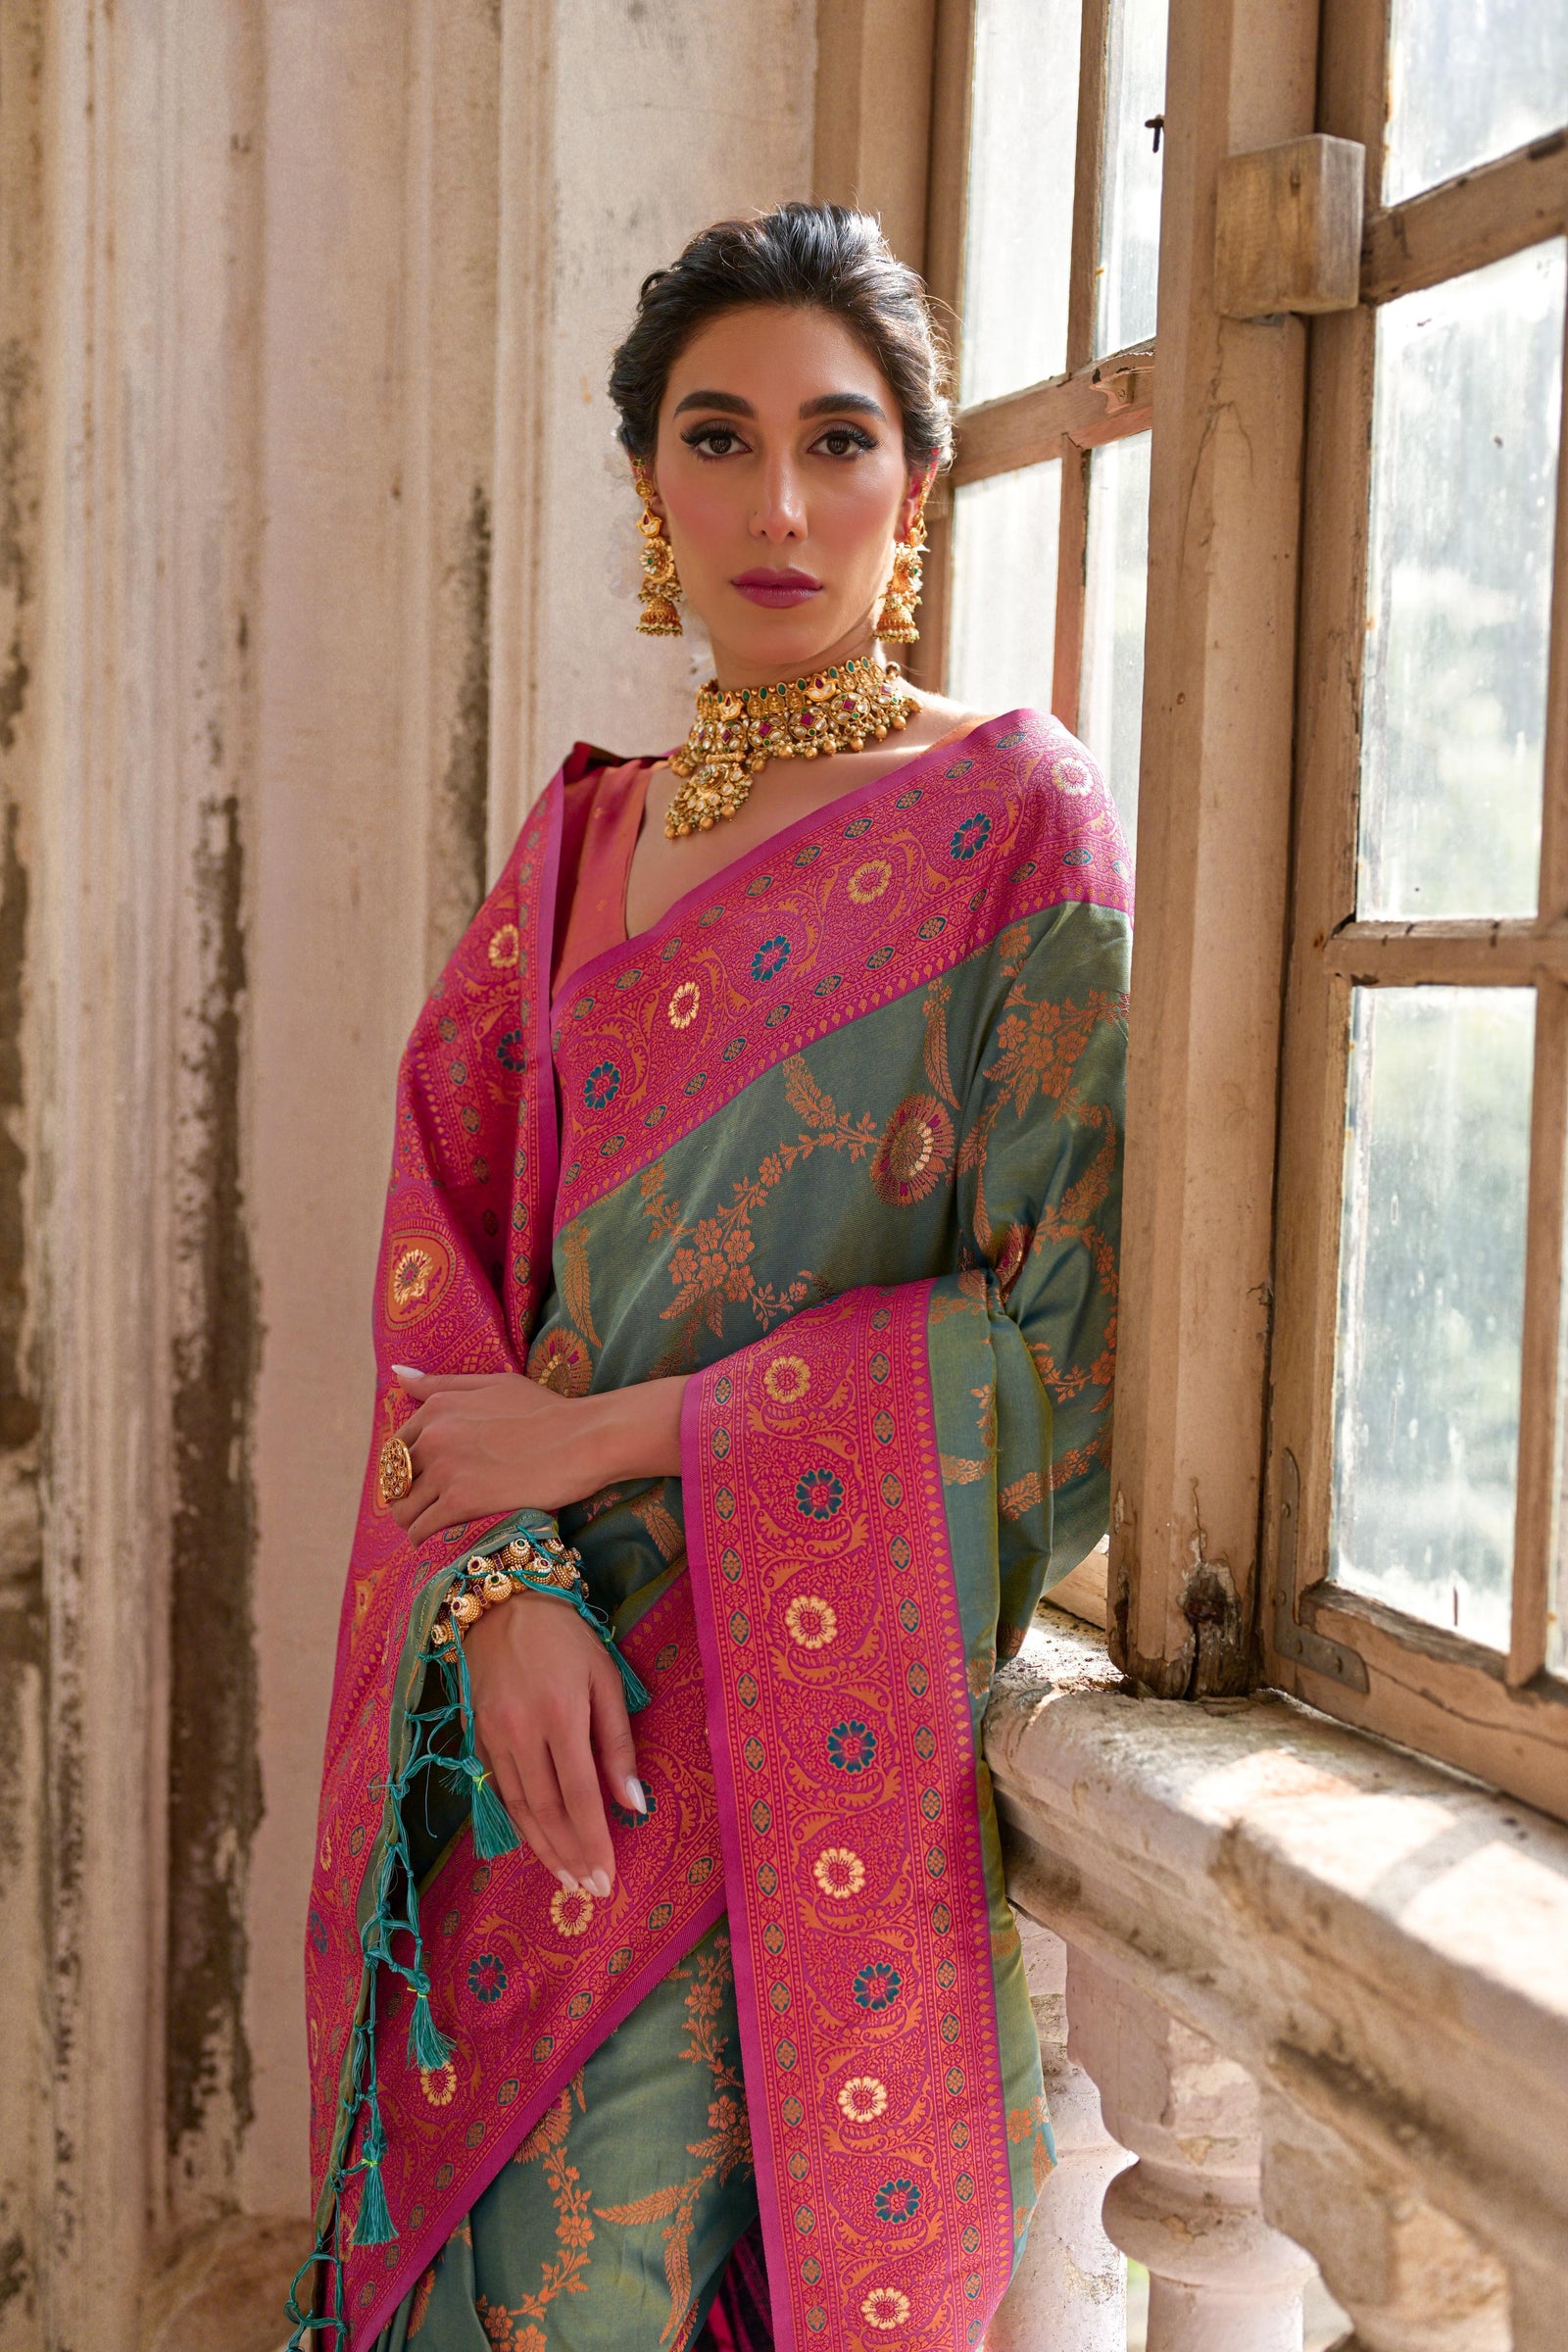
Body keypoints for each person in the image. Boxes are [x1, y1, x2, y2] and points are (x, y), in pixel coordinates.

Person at [290, 202, 1131, 2352]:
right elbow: (437, 1291)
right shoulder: (576, 845)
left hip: (783, 1746)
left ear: (913, 486)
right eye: (715, 436)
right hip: (522, 1740)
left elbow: (1052, 1349)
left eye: (836, 441)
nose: (777, 502)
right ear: (649, 481)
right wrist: (500, 1598)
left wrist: (602, 1439)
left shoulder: (1010, 823)